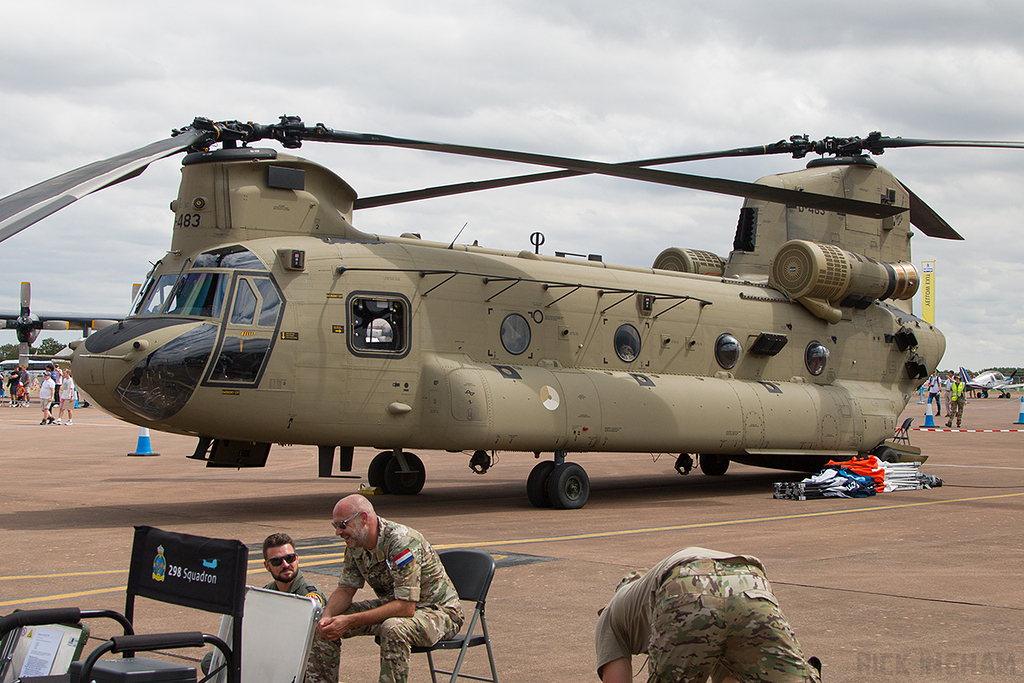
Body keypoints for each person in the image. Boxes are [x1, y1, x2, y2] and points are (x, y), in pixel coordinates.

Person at [595, 547, 822, 683]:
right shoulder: (643, 595)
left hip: (684, 585)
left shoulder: (611, 615)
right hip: (748, 580)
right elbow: (731, 676)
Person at [317, 495, 463, 683]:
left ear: (363, 519)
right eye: (334, 525)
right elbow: (346, 589)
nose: (338, 532)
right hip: (395, 607)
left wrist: (350, 621)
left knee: (393, 628)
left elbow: (406, 608)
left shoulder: (401, 542)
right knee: (321, 625)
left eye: (342, 525)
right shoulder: (355, 544)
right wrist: (327, 617)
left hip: (437, 612)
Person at [262, 533, 340, 683]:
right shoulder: (267, 592)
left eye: (289, 558)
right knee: (214, 661)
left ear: (296, 558)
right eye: (277, 561)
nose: (285, 565)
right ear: (267, 566)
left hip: (305, 661)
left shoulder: (310, 595)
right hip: (278, 655)